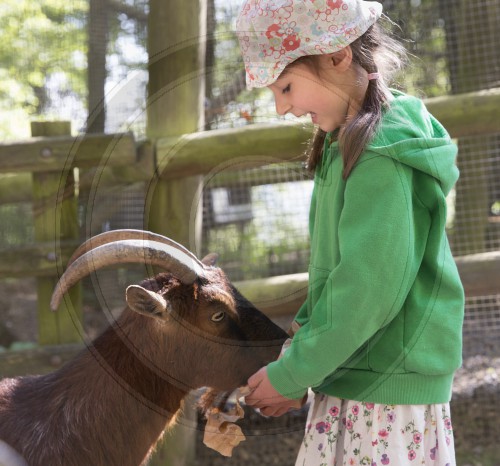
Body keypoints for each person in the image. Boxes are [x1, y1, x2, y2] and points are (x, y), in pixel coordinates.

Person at [235, 0, 464, 464]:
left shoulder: (382, 153)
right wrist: (298, 360)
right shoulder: (345, 143)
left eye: (286, 86)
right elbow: (337, 278)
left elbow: (367, 290)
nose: (282, 108)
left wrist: (295, 372)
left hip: (383, 396)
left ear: (337, 55)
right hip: (357, 376)